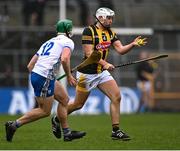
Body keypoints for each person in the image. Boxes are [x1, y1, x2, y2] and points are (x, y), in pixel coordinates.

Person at [51, 7, 147, 140]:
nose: (110, 20)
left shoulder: (111, 33)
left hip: (101, 73)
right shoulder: (88, 31)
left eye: (111, 18)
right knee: (78, 104)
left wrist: (132, 44)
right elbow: (89, 54)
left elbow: (120, 49)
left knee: (116, 97)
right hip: (86, 74)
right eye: (108, 17)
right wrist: (105, 64)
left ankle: (116, 131)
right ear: (100, 18)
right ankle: (57, 118)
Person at [5, 19, 86, 142]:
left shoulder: (48, 42)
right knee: (44, 111)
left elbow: (30, 66)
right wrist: (69, 75)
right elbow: (64, 59)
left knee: (64, 99)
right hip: (45, 77)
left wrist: (41, 76)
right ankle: (14, 125)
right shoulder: (68, 42)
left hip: (42, 75)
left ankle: (67, 133)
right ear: (67, 30)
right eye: (70, 29)